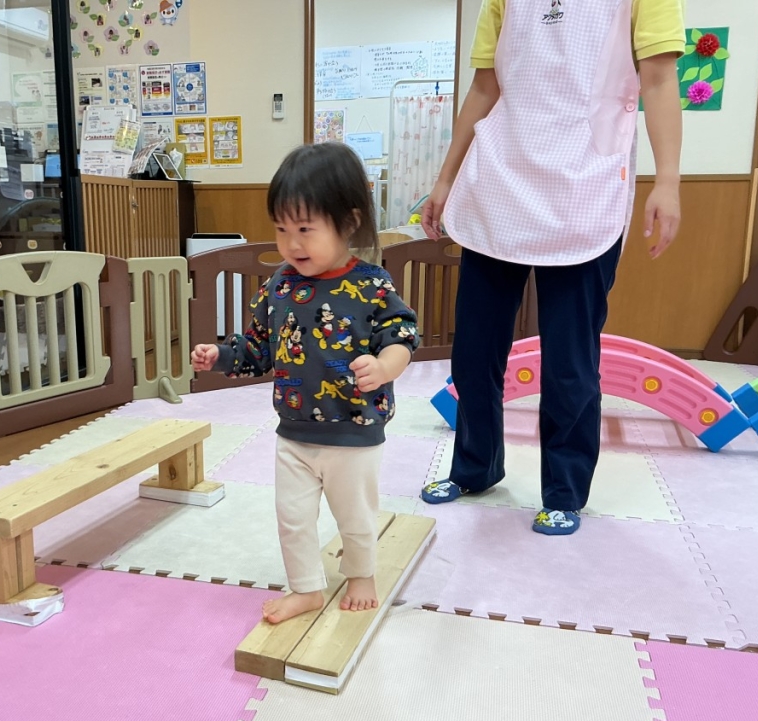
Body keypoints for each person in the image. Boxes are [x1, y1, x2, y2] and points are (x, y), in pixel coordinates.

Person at [419, 0, 684, 535]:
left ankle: (563, 490)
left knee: (569, 362)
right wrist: (446, 177)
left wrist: (669, 181)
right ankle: (475, 467)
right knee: (474, 352)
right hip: (500, 179)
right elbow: (484, 87)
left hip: (584, 183)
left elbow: (657, 80)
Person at [191, 142, 420, 624]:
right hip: (293, 430)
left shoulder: (372, 285)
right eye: (281, 229)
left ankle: (361, 575)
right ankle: (307, 588)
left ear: (348, 222)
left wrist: (384, 368)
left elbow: (402, 337)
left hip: (353, 431)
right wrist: (220, 355)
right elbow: (257, 348)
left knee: (354, 519)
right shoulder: (279, 286)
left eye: (305, 230)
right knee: (292, 520)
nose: (292, 244)